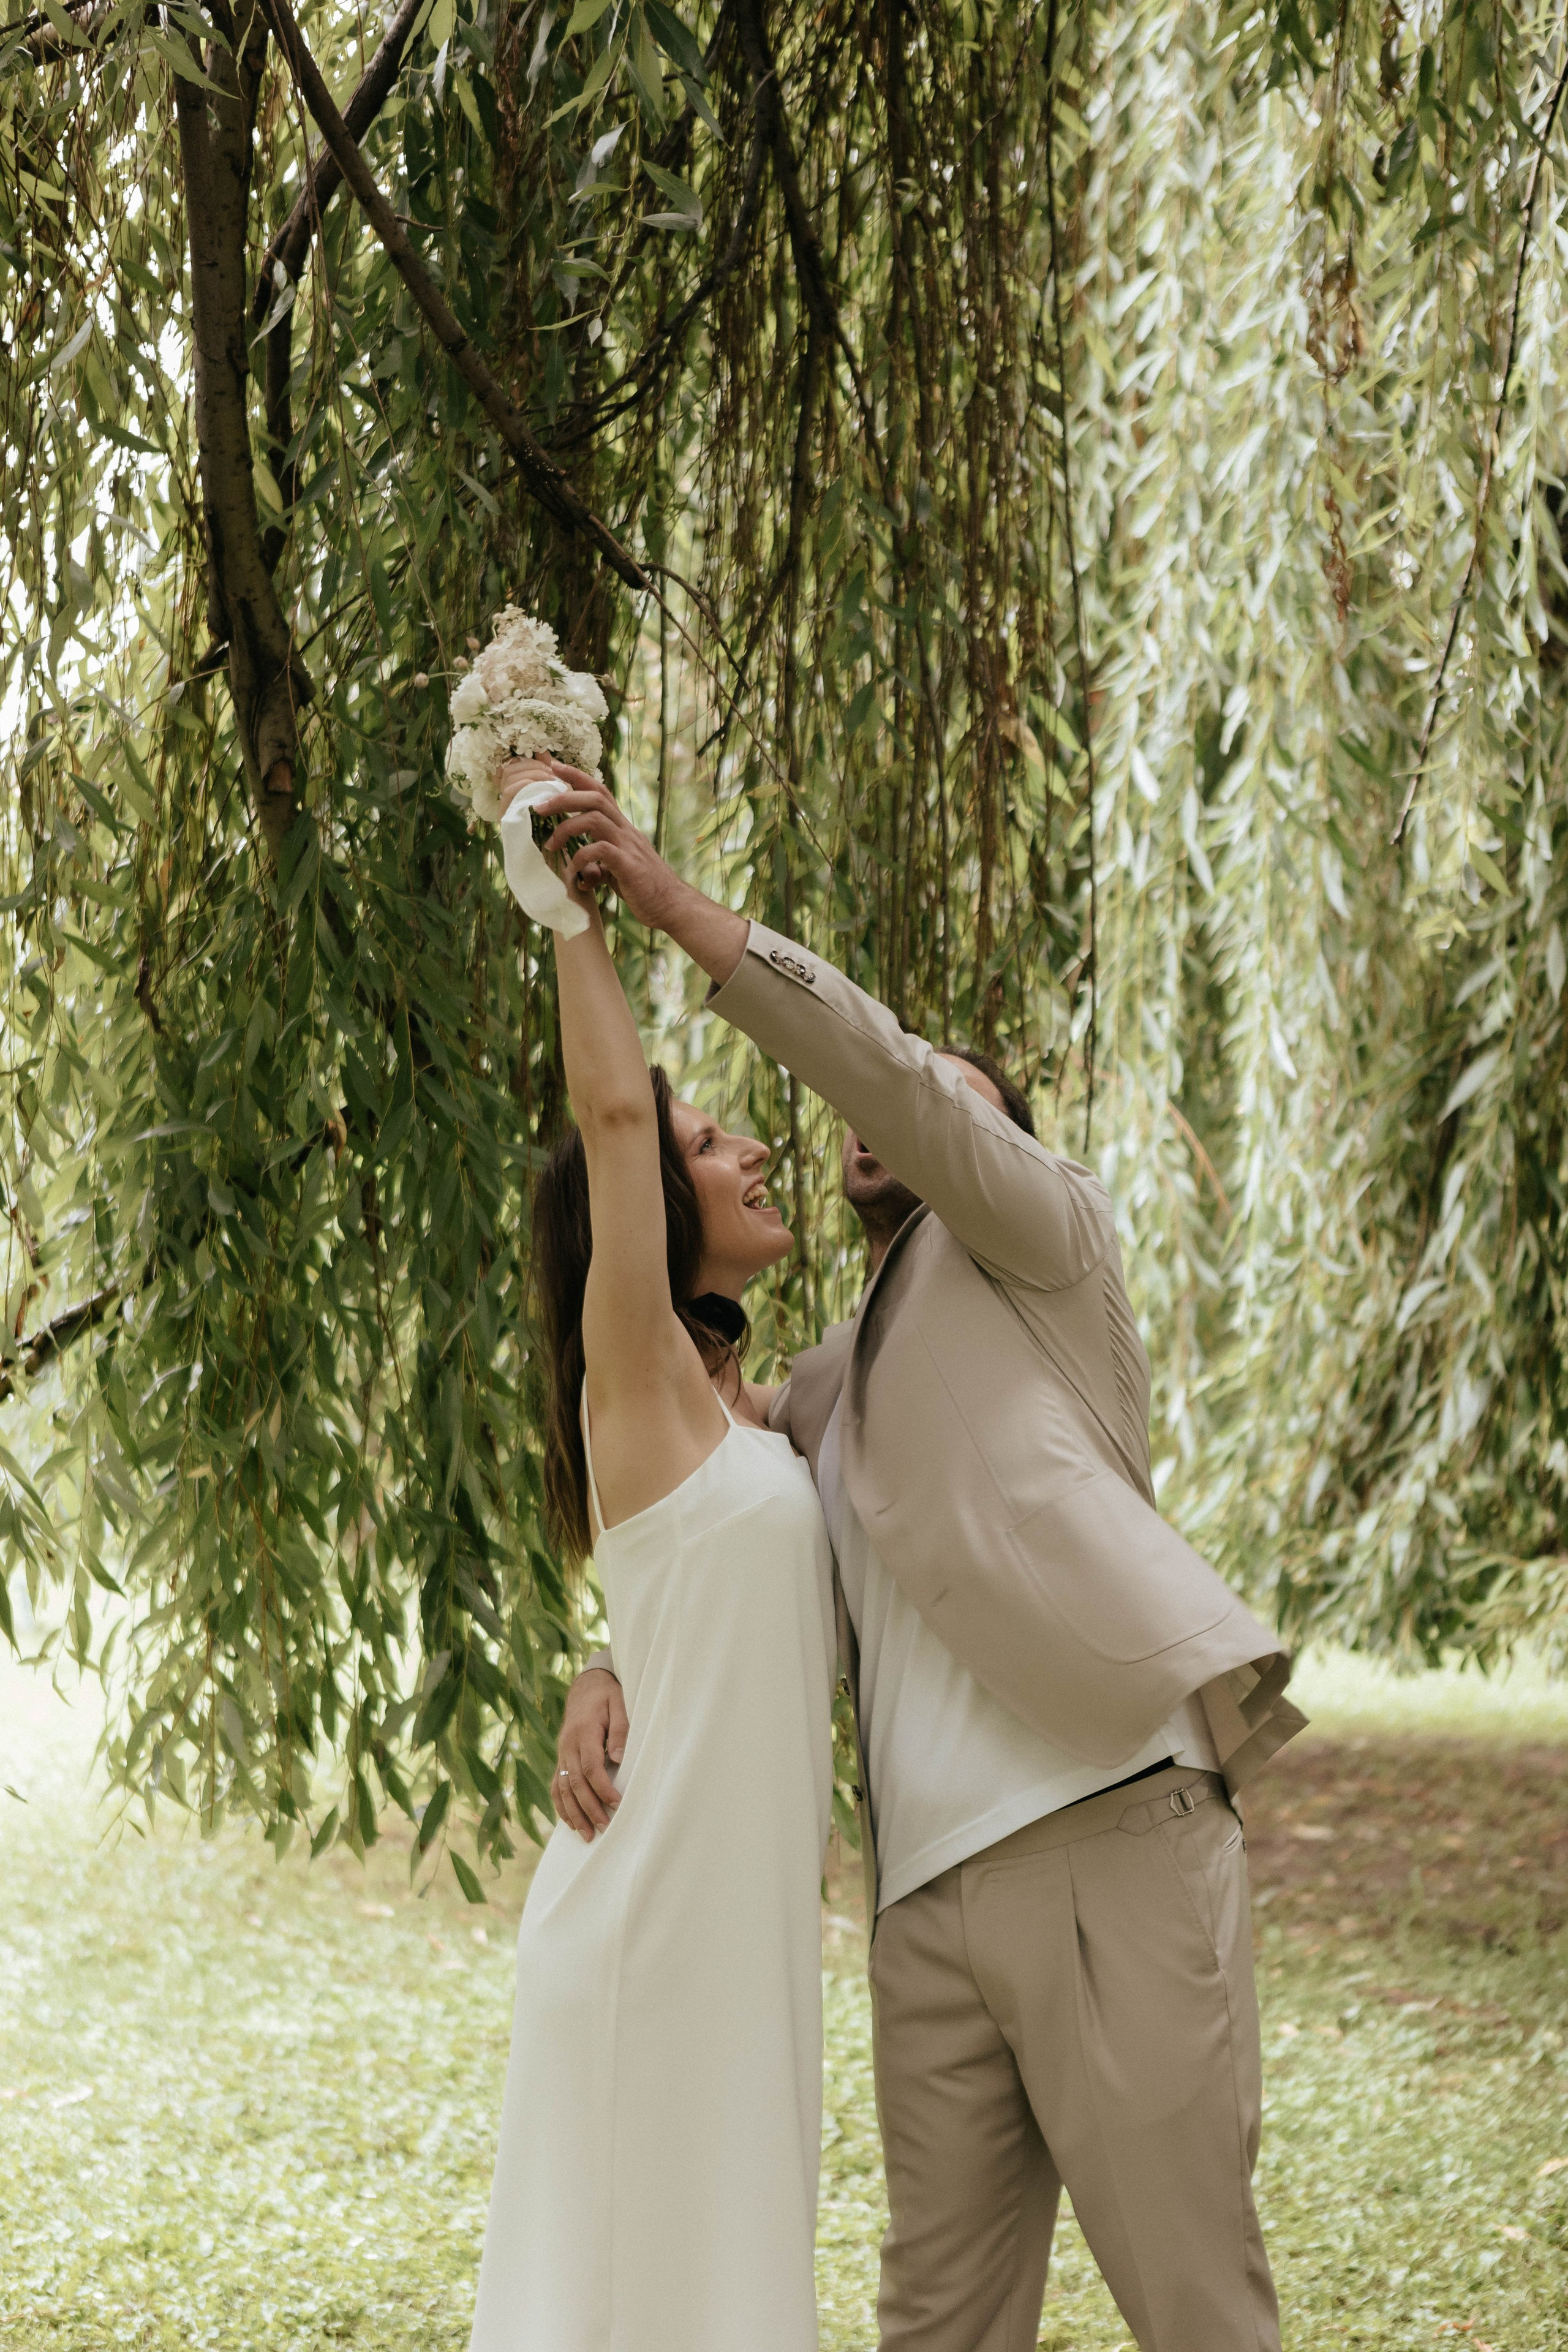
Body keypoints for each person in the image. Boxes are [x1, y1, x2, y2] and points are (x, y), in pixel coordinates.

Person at [543, 765, 1307, 2352]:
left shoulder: (1046, 1239)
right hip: (928, 1916)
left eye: (939, 1096)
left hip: (1109, 1832)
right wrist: (609, 1660)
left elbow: (888, 1073)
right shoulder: (829, 1388)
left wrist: (667, 905)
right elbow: (702, 1520)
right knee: (935, 2331)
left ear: (990, 1138)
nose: (887, 1110)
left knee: (1197, 2311)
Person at [467, 761, 836, 2352]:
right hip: (653, 1930)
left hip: (746, 1944)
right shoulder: (639, 1377)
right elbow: (612, 1114)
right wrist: (570, 904)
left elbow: (704, 1604)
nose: (746, 1145)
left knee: (729, 2297)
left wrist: (608, 1658)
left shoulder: (755, 1417)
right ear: (653, 1212)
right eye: (707, 1139)